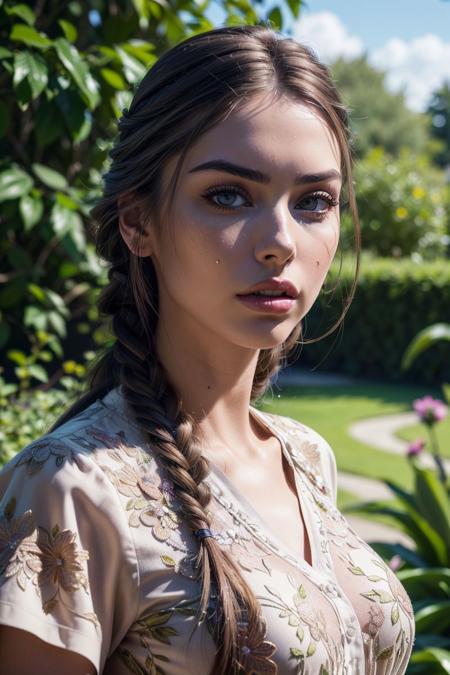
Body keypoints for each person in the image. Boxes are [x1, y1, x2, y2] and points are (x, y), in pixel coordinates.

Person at [0, 24, 415, 675]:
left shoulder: (306, 457)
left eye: (314, 201)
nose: (280, 240)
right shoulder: (70, 486)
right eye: (228, 195)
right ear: (138, 221)